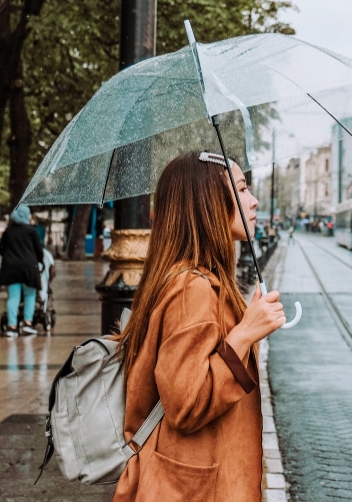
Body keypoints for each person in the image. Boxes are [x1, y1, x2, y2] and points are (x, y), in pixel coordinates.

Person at [112, 152, 283, 501]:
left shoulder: (197, 281)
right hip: (193, 489)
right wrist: (245, 333)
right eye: (242, 189)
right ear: (208, 203)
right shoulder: (192, 288)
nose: (253, 201)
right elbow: (186, 404)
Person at [0, 205, 44, 337]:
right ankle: (27, 324)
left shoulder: (8, 231)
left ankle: (12, 326)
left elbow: (1, 249)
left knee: (13, 297)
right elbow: (39, 250)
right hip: (29, 267)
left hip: (11, 268)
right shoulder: (31, 231)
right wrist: (40, 260)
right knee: (29, 295)